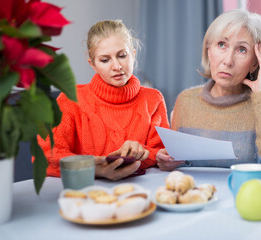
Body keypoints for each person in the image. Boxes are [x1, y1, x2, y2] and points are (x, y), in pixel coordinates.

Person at [156, 9, 261, 177]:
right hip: (196, 198)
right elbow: (181, 163)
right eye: (222, 45)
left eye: (241, 50)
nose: (227, 61)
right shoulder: (186, 100)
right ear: (209, 51)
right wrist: (169, 161)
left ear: (256, 63)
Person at [38, 20, 169, 180]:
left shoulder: (153, 99)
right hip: (86, 194)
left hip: (138, 192)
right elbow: (45, 155)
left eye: (122, 56)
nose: (116, 66)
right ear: (92, 64)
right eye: (105, 60)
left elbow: (162, 154)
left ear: (133, 54)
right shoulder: (70, 100)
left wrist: (141, 152)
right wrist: (93, 169)